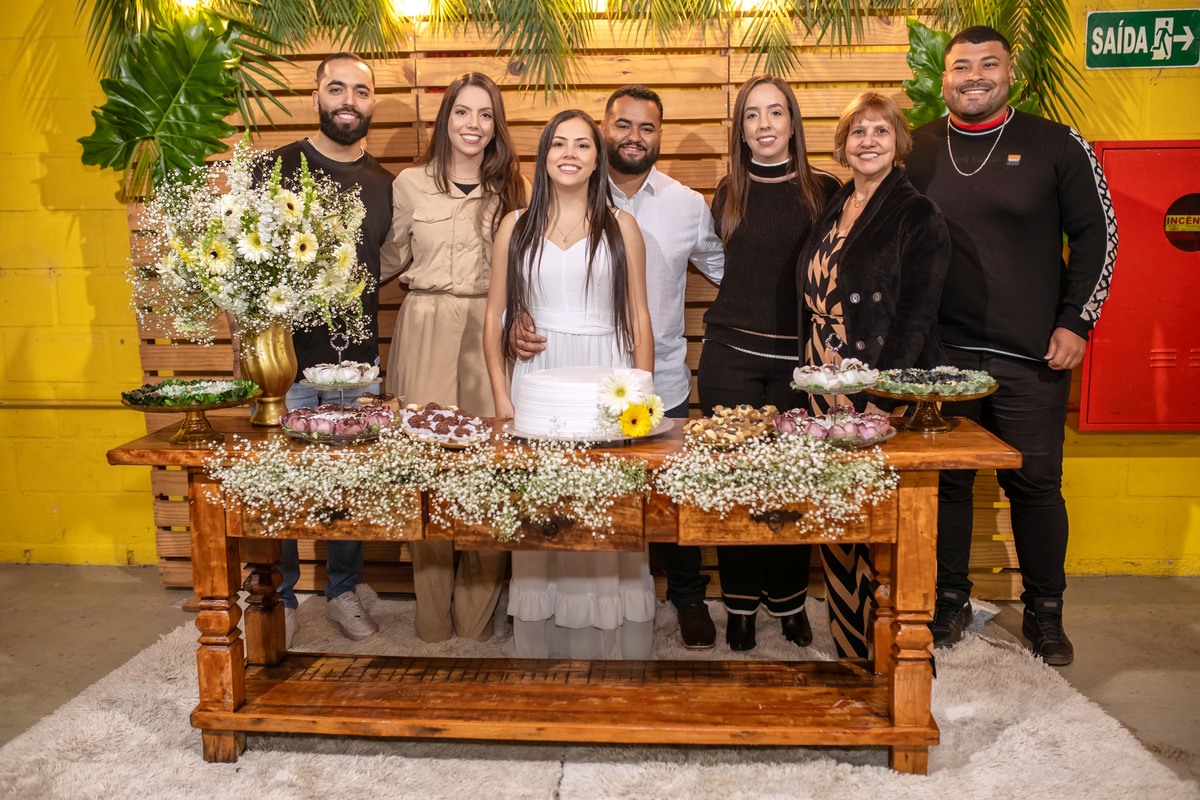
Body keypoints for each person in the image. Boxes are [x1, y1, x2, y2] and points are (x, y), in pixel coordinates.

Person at [906, 26, 1117, 666]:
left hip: (1032, 356)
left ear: (1010, 72)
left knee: (1035, 485)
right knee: (947, 485)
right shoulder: (915, 147)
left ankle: (1045, 611)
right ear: (943, 77)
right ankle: (948, 599)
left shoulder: (1057, 144)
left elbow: (1099, 237)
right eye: (961, 66)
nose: (974, 76)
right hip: (941, 359)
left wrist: (1077, 322)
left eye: (987, 64)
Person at [511, 85, 726, 649]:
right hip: (567, 375)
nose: (634, 136)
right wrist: (515, 324)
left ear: (660, 135)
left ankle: (688, 599)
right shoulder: (564, 192)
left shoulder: (687, 203)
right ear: (603, 131)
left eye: (646, 127)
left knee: (662, 501)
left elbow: (726, 270)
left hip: (657, 372)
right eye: (622, 125)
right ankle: (560, 616)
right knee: (570, 502)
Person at [483, 109, 656, 659]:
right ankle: (545, 643)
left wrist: (642, 403)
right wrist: (502, 398)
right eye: (559, 143)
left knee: (605, 504)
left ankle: (610, 639)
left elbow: (639, 317)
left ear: (597, 159)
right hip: (539, 381)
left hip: (606, 376)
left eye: (583, 144)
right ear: (544, 155)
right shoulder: (514, 226)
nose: (570, 154)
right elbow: (494, 317)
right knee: (543, 505)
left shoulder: (622, 226)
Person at [795, 90, 950, 658]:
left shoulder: (917, 213)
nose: (868, 141)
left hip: (873, 379)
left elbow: (916, 316)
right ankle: (851, 644)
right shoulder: (835, 204)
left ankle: (891, 651)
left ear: (898, 143)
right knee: (836, 511)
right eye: (857, 131)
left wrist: (881, 395)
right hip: (821, 374)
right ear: (843, 145)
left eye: (880, 131)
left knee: (875, 516)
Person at [380, 72, 526, 643]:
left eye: (485, 114)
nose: (473, 124)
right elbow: (388, 256)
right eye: (463, 112)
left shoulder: (513, 187)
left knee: (489, 470)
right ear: (445, 120)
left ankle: (475, 619)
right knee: (427, 472)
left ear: (496, 125)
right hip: (424, 326)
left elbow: (526, 266)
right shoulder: (409, 184)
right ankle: (433, 620)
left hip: (490, 331)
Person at [699, 75, 841, 652]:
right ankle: (738, 606)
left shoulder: (825, 190)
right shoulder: (727, 192)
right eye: (752, 115)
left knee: (790, 486)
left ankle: (788, 603)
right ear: (741, 129)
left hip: (798, 365)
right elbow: (725, 267)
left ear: (792, 123)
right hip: (730, 357)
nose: (764, 124)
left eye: (775, 112)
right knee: (735, 486)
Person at [272, 53, 395, 645]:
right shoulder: (275, 169)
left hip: (357, 363)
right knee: (278, 483)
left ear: (372, 103)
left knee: (349, 484)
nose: (349, 100)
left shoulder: (386, 184)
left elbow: (389, 263)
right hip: (284, 364)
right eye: (337, 88)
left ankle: (343, 591)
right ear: (316, 96)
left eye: (361, 91)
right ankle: (278, 598)